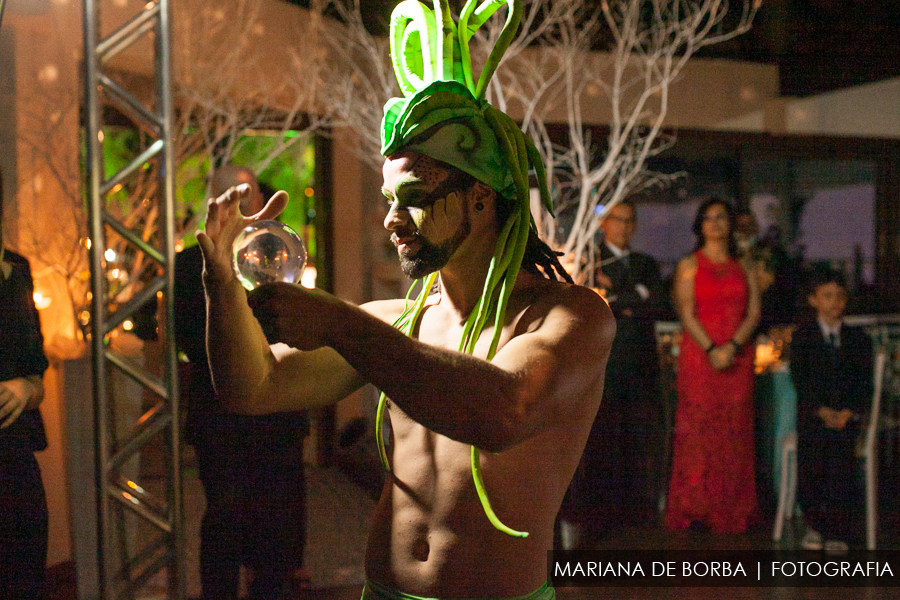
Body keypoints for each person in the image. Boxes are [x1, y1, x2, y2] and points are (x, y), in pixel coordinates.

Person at [198, 3, 614, 597]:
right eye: (390, 197)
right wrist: (221, 287)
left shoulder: (573, 315)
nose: (391, 219)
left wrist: (342, 325)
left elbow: (502, 412)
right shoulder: (397, 323)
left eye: (413, 195)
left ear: (479, 196)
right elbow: (251, 389)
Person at [173, 164, 310, 600]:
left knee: (278, 525)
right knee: (224, 521)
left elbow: (294, 329)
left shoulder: (275, 251)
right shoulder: (188, 264)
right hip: (221, 417)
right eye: (235, 196)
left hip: (278, 415)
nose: (245, 204)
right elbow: (190, 338)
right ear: (215, 204)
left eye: (249, 193)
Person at [568, 201, 668, 538]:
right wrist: (632, 297)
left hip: (642, 364)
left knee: (639, 439)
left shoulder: (647, 263)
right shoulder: (589, 260)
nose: (624, 227)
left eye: (629, 221)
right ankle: (600, 516)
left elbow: (655, 302)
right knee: (601, 439)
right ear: (604, 224)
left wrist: (619, 297)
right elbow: (593, 303)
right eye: (617, 220)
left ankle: (636, 512)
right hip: (604, 364)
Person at [665, 198, 761, 534]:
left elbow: (754, 313)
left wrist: (733, 346)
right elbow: (686, 313)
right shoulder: (689, 265)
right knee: (697, 431)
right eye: (708, 218)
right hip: (700, 356)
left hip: (737, 355)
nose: (715, 224)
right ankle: (695, 509)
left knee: (735, 432)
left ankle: (733, 510)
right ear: (699, 225)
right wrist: (711, 349)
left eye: (721, 217)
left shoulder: (745, 265)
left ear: (731, 223)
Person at [791, 268, 872, 553]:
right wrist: (822, 411)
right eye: (827, 296)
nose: (835, 302)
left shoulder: (859, 340)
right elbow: (800, 380)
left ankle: (839, 527)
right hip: (815, 416)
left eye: (840, 296)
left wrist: (849, 411)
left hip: (846, 418)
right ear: (814, 300)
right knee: (812, 455)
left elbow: (864, 382)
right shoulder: (803, 338)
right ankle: (815, 523)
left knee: (841, 459)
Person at [0, 168, 50, 600]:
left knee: (25, 574)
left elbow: (37, 374)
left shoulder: (16, 268)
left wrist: (24, 389)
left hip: (14, 451)